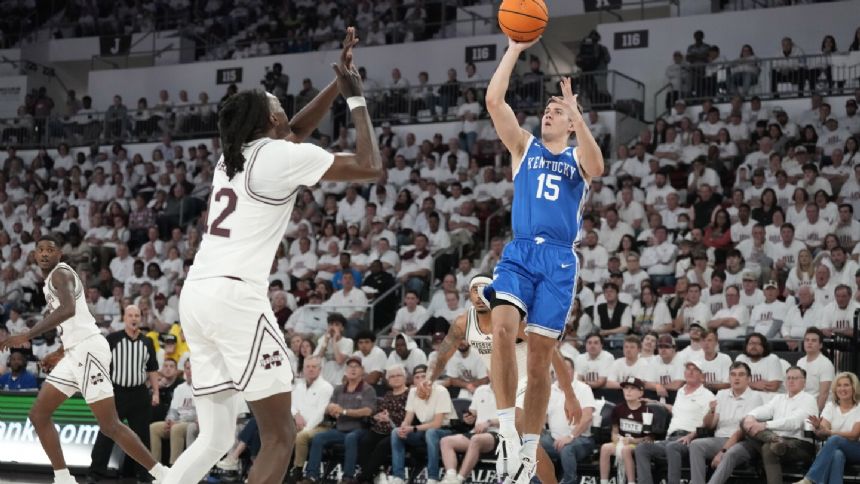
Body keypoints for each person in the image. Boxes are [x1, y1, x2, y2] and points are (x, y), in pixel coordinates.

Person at [165, 28, 384, 484]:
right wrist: (356, 99)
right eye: (278, 105)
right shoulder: (277, 157)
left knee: (214, 437)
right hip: (235, 299)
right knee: (281, 435)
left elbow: (296, 131)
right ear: (266, 120)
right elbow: (369, 166)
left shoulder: (234, 156)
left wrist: (336, 84)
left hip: (198, 295)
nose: (286, 108)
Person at [482, 34, 604, 483]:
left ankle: (528, 451)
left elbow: (598, 168)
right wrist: (514, 48)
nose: (549, 114)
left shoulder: (576, 157)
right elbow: (495, 100)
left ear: (569, 124)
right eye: (548, 110)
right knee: (500, 331)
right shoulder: (524, 148)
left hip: (558, 260)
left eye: (557, 112)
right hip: (521, 251)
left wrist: (578, 117)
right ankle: (508, 431)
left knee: (538, 362)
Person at [0, 236, 167, 484]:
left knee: (110, 424)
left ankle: (163, 474)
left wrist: (26, 334)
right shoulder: (50, 283)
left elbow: (67, 309)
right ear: (34, 255)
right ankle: (64, 478)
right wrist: (59, 352)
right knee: (38, 414)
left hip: (88, 349)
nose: (45, 254)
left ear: (60, 255)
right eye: (40, 250)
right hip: (74, 351)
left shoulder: (60, 274)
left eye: (50, 250)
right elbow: (72, 320)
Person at [421, 275, 579, 484]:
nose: (479, 296)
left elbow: (552, 353)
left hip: (531, 380)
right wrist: (429, 380)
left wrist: (570, 395)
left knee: (519, 428)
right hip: (504, 388)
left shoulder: (512, 319)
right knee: (529, 444)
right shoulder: (462, 323)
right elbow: (443, 354)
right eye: (474, 290)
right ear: (468, 295)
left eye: (484, 290)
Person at [89, 304, 161, 483]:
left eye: (137, 315)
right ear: (124, 318)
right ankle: (95, 472)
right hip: (116, 394)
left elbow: (152, 369)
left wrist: (156, 393)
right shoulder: (113, 339)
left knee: (142, 437)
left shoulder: (147, 341)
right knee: (106, 433)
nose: (134, 318)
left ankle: (144, 475)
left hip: (139, 394)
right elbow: (100, 364)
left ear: (141, 318)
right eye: (130, 315)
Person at [634, 360, 715, 484]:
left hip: (691, 440)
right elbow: (676, 411)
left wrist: (691, 435)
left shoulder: (708, 396)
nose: (690, 372)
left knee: (673, 447)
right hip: (670, 438)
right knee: (642, 448)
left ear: (702, 376)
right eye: (688, 369)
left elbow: (708, 426)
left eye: (695, 369)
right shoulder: (681, 391)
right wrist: (656, 402)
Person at [738, 367, 818, 484]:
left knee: (768, 448)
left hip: (800, 444)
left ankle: (774, 440)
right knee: (744, 422)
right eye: (788, 378)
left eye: (795, 378)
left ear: (804, 382)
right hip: (778, 440)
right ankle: (774, 439)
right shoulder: (779, 398)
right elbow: (765, 409)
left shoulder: (809, 399)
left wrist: (766, 425)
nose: (791, 381)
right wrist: (751, 416)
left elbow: (794, 422)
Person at [688, 361, 763, 484]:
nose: (736, 378)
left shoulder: (755, 397)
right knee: (696, 445)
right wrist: (711, 412)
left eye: (741, 374)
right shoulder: (722, 394)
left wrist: (722, 451)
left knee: (730, 453)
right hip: (720, 439)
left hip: (744, 442)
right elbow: (710, 425)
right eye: (733, 374)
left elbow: (741, 432)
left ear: (748, 379)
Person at [795, 372, 860, 484]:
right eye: (839, 385)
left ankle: (809, 479)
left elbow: (854, 435)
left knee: (835, 439)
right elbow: (823, 433)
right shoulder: (831, 406)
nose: (842, 388)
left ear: (854, 388)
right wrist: (818, 428)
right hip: (837, 449)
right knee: (836, 455)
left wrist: (830, 432)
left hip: (856, 449)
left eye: (846, 385)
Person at [598, 377, 649, 484]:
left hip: (638, 445)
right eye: (626, 388)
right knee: (605, 448)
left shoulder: (647, 411)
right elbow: (615, 430)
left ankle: (631, 482)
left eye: (632, 388)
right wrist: (614, 437)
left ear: (641, 393)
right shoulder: (617, 409)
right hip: (622, 442)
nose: (628, 391)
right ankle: (603, 482)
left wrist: (633, 441)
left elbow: (649, 438)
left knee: (626, 450)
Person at [149, 359, 197, 466]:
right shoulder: (180, 388)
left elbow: (196, 414)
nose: (190, 371)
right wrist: (169, 420)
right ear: (184, 370)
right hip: (177, 421)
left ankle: (174, 467)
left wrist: (177, 422)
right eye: (187, 368)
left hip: (190, 422)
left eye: (192, 368)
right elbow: (173, 410)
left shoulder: (201, 388)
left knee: (176, 428)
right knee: (154, 428)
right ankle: (155, 467)